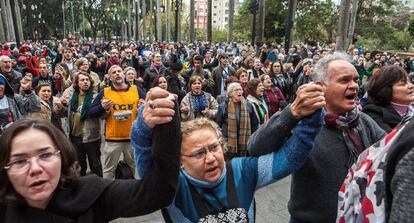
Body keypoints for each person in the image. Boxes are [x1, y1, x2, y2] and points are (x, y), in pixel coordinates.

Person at [132, 84, 326, 222]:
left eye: (214, 148)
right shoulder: (172, 186)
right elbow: (146, 165)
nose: (210, 158)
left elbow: (289, 159)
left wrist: (311, 114)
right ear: (180, 161)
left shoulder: (243, 170)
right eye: (199, 154)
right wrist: (145, 123)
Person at [248, 52, 387, 223]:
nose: (354, 86)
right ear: (320, 86)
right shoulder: (305, 123)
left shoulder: (363, 122)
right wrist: (291, 113)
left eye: (356, 80)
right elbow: (255, 147)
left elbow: (390, 152)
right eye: (344, 80)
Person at [0, 92, 181, 222]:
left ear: (61, 157)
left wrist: (158, 122)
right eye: (20, 161)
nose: (35, 168)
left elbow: (157, 192)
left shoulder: (90, 195)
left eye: (45, 155)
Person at [89, 65, 142, 179]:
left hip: (131, 138)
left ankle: (131, 193)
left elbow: (149, 105)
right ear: (109, 77)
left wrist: (143, 106)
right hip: (113, 138)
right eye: (114, 73)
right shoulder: (105, 92)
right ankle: (108, 193)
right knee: (108, 171)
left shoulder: (135, 89)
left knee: (132, 168)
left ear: (124, 74)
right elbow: (91, 112)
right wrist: (101, 107)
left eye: (119, 71)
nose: (117, 74)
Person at [364, 65, 414, 133]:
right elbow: (391, 141)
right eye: (403, 83)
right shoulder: (373, 112)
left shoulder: (411, 109)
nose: (411, 86)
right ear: (386, 89)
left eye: (409, 82)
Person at [216, 82, 258, 159]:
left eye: (240, 90)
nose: (239, 92)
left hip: (245, 140)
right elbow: (218, 123)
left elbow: (255, 123)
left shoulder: (249, 105)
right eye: (236, 90)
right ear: (231, 93)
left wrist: (254, 137)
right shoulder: (223, 106)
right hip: (229, 141)